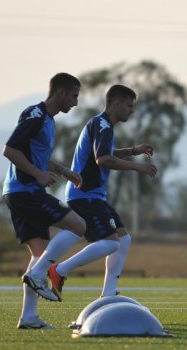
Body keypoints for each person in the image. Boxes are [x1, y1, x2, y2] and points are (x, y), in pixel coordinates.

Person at [50, 84, 157, 299]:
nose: (132, 110)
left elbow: (105, 152)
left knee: (123, 240)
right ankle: (58, 270)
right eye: (129, 105)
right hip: (84, 194)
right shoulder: (103, 125)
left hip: (93, 195)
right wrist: (137, 167)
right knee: (109, 242)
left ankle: (108, 294)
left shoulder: (102, 124)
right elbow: (104, 159)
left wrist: (133, 151)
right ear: (115, 103)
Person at [2, 73, 87, 329]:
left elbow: (35, 156)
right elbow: (10, 150)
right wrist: (38, 174)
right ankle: (39, 275)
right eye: (74, 96)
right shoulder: (36, 115)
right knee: (79, 226)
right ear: (60, 93)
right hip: (24, 191)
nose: (75, 102)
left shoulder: (48, 120)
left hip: (21, 192)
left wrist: (63, 171)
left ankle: (28, 318)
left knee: (40, 253)